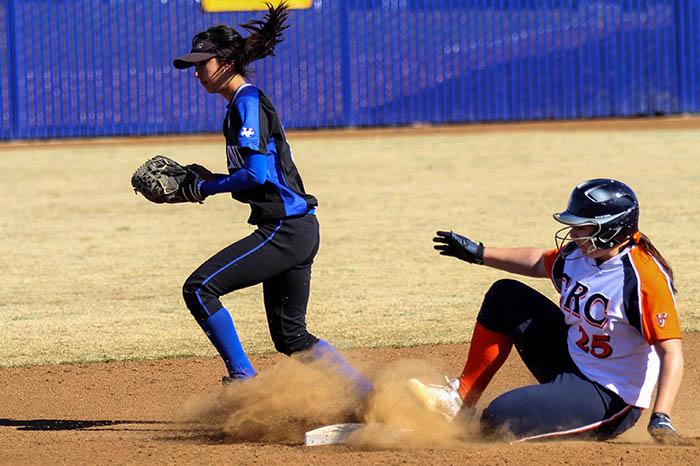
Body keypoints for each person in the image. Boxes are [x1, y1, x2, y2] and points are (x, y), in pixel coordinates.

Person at [170, 2, 371, 396]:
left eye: (202, 63)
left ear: (226, 61)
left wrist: (205, 189)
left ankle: (243, 377)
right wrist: (211, 179)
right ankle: (370, 396)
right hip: (297, 228)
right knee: (291, 337)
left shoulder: (246, 102)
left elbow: (256, 175)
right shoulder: (239, 105)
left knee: (199, 288)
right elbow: (253, 180)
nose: (196, 72)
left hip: (285, 229)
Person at [409, 178, 684, 443]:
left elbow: (671, 352)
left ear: (611, 229)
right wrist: (479, 253)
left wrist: (661, 416)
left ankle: (442, 434)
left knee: (498, 420)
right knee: (505, 295)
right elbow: (539, 262)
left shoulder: (642, 279)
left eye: (583, 227)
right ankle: (459, 401)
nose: (573, 234)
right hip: (572, 357)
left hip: (608, 395)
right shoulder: (582, 254)